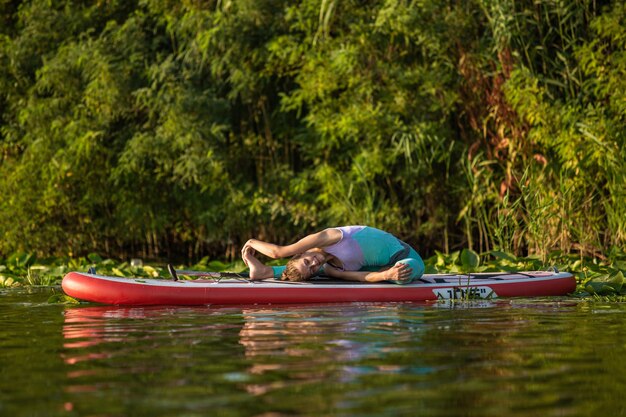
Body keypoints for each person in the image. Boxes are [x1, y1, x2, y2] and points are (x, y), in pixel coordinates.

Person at [240, 226, 424, 284]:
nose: (314, 262)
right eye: (311, 268)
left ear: (301, 252)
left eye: (306, 260)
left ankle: (267, 271)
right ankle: (262, 272)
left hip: (405, 256)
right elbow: (362, 277)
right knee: (323, 271)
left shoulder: (328, 237)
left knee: (403, 272)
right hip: (378, 266)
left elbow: (278, 252)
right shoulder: (331, 268)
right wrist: (386, 275)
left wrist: (250, 242)